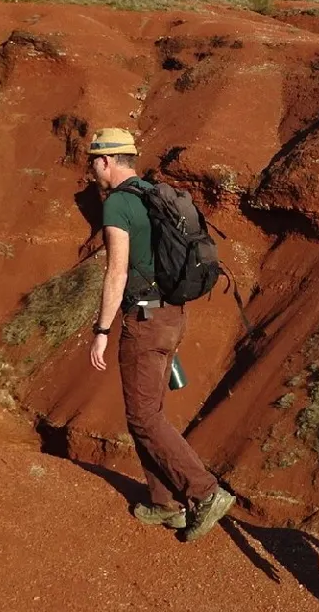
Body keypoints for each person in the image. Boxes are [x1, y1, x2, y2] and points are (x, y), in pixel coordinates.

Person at [83, 127, 235, 540]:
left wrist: (101, 329)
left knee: (144, 415)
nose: (92, 170)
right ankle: (164, 503)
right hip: (173, 316)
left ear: (106, 161)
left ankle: (203, 492)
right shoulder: (153, 193)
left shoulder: (117, 204)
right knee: (148, 412)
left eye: (93, 161)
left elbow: (116, 270)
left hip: (145, 323)